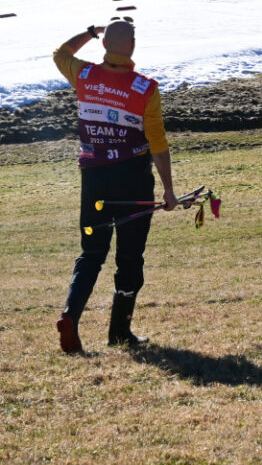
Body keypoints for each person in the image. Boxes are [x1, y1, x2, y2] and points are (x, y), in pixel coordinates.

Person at [52, 20, 179, 353]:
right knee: (130, 256)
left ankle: (71, 315)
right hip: (133, 180)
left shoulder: (83, 75)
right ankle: (120, 332)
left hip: (94, 180)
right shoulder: (145, 88)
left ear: (104, 44)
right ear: (132, 46)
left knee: (92, 252)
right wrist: (168, 190)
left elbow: (60, 53)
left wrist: (89, 32)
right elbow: (158, 143)